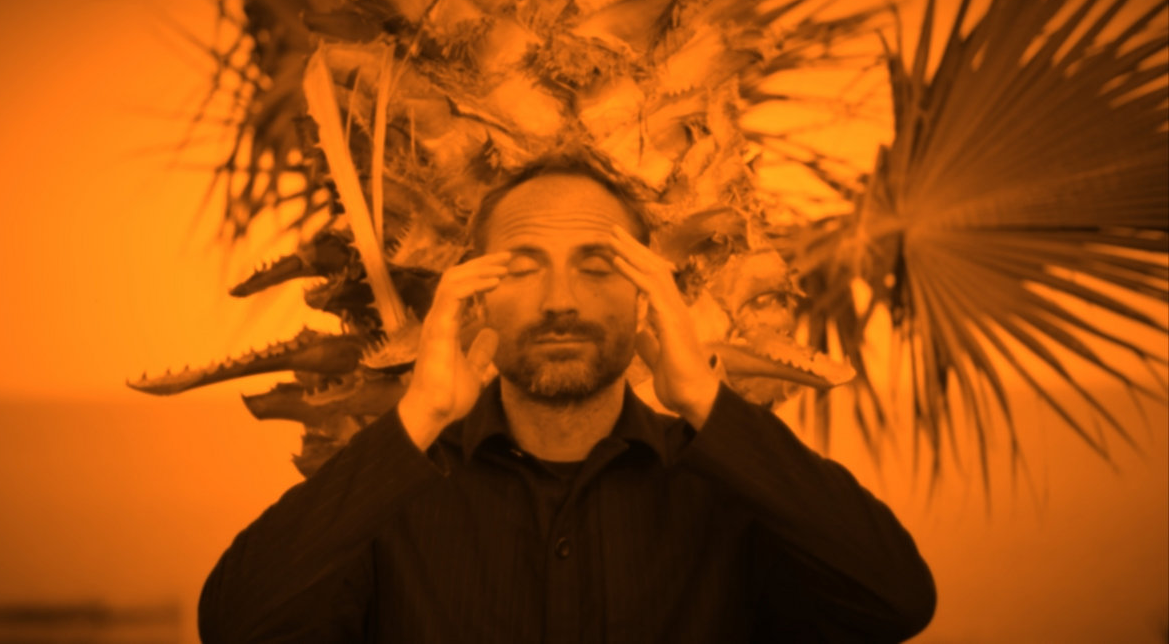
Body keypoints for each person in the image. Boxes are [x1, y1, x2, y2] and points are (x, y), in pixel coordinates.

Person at [198, 157, 937, 643]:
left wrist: (705, 400)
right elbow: (236, 624)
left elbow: (897, 599)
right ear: (478, 297)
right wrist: (417, 419)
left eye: (598, 266)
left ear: (647, 296)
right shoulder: (398, 494)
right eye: (523, 268)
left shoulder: (723, 491)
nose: (560, 301)